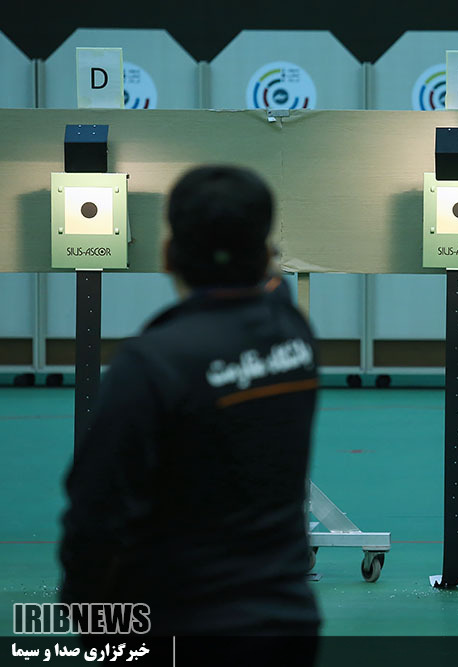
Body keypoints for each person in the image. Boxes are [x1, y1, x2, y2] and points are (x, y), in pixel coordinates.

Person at [60, 166, 320, 661]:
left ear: (168, 254)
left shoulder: (152, 362)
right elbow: (272, 287)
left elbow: (95, 518)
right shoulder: (292, 333)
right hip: (285, 622)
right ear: (265, 254)